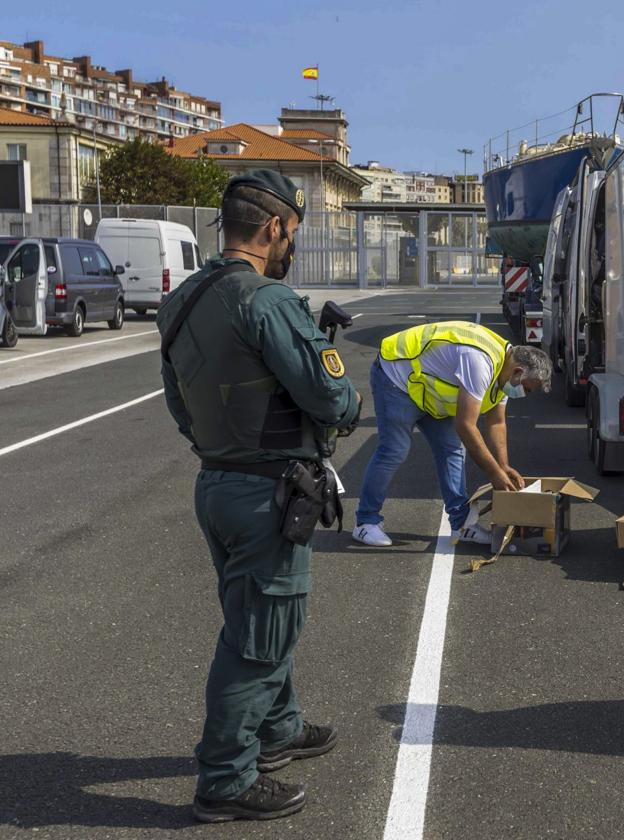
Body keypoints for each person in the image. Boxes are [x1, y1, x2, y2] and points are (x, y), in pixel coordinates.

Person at [157, 171, 362, 821]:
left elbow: (179, 403)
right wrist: (347, 398)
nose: (289, 246)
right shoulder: (266, 301)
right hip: (268, 492)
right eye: (291, 234)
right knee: (259, 637)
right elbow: (331, 399)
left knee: (261, 620)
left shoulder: (183, 299)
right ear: (274, 228)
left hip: (217, 481)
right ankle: (224, 777)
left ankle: (277, 730)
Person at [352, 321, 552, 547]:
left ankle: (462, 525)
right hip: (398, 377)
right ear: (518, 371)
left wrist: (503, 465)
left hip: (428, 388)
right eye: (527, 388)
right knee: (394, 450)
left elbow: (496, 422)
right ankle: (365, 523)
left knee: (452, 451)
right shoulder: (480, 362)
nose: (524, 393)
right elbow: (466, 425)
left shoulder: (504, 372)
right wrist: (493, 472)